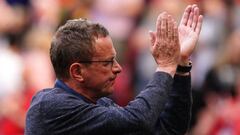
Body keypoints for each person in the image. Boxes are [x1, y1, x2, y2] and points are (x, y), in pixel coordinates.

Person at [25, 4, 203, 135]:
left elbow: (169, 130)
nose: (118, 68)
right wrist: (165, 66)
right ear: (77, 72)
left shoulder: (101, 104)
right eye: (107, 62)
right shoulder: (49, 106)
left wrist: (180, 64)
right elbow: (138, 120)